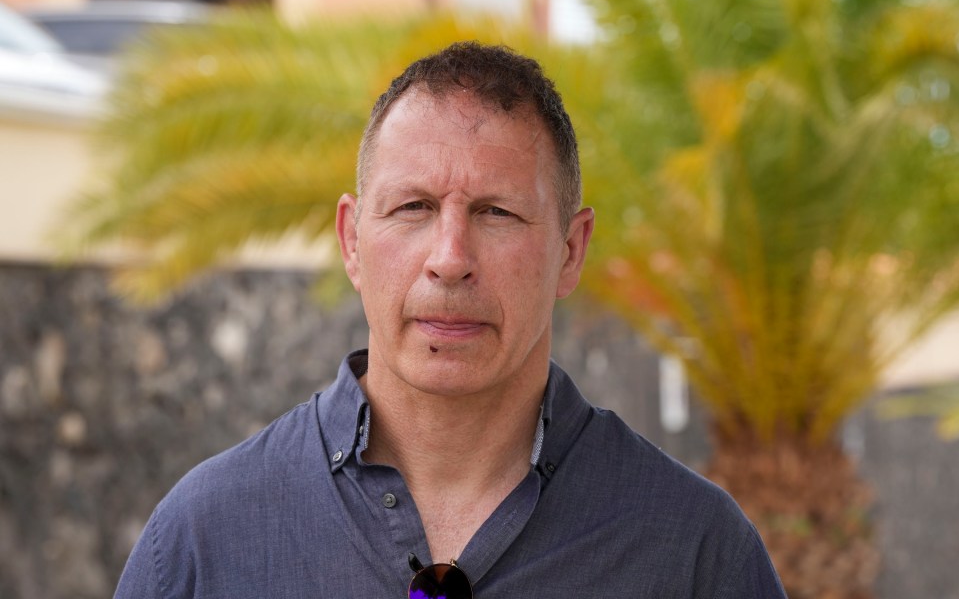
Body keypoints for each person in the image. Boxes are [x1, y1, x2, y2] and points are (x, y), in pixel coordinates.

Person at [115, 41, 787, 598]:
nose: (450, 258)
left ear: (570, 251)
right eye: (413, 207)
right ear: (351, 240)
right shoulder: (205, 541)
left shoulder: (697, 555)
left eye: (496, 213)